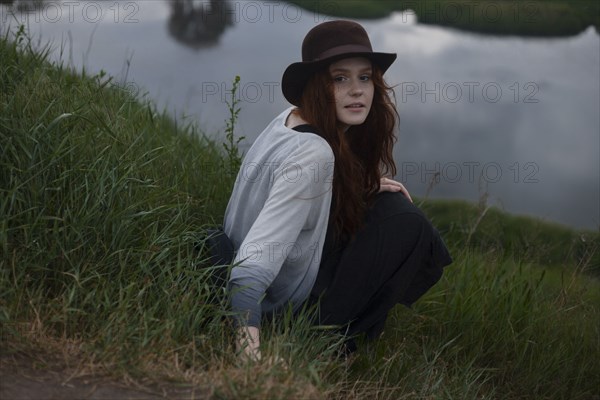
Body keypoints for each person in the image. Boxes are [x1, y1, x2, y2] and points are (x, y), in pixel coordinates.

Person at [222, 20, 452, 360]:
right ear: (316, 85)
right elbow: (252, 266)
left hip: (259, 266)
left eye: (365, 77)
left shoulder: (290, 120)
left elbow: (288, 185)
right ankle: (325, 345)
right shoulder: (315, 154)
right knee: (407, 224)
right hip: (276, 304)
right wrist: (248, 352)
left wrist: (358, 186)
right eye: (339, 78)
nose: (357, 90)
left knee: (384, 204)